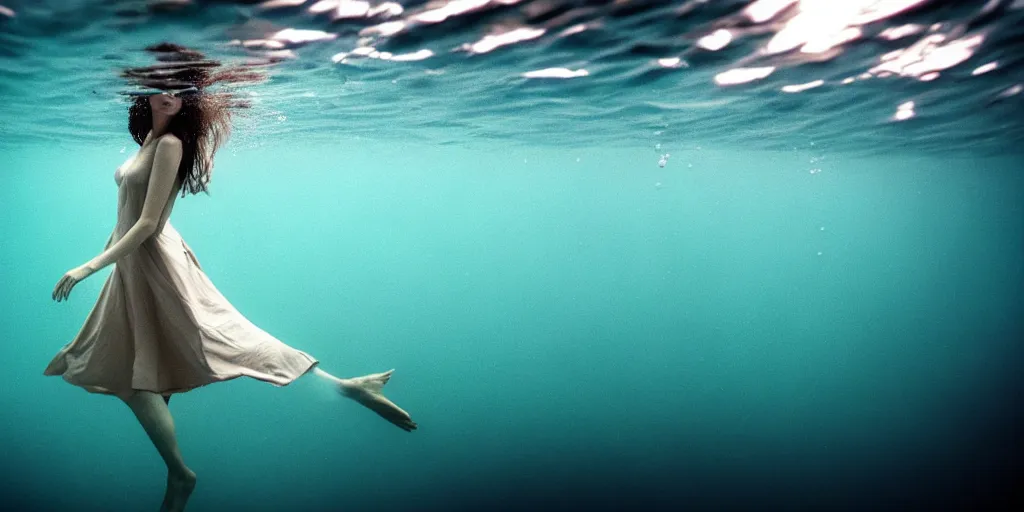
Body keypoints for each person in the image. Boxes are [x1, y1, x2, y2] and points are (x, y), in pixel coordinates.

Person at [44, 43, 417, 512]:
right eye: (160, 88)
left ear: (187, 101)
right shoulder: (149, 142)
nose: (168, 96)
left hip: (155, 259)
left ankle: (181, 475)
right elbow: (126, 219)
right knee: (150, 366)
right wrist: (107, 260)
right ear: (146, 93)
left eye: (178, 91)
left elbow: (147, 224)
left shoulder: (172, 145)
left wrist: (88, 267)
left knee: (194, 351)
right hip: (134, 262)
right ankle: (344, 387)